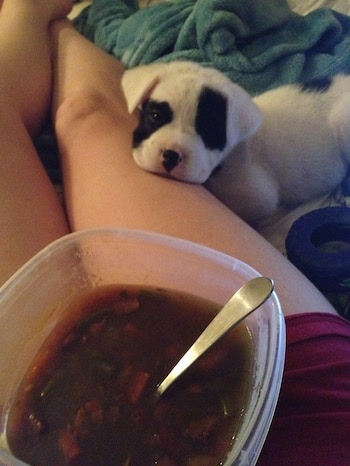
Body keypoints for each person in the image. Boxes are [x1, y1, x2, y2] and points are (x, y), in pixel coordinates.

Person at [0, 1, 349, 464]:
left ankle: (37, 20)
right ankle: (47, 22)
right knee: (88, 117)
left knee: (81, 117)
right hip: (296, 382)